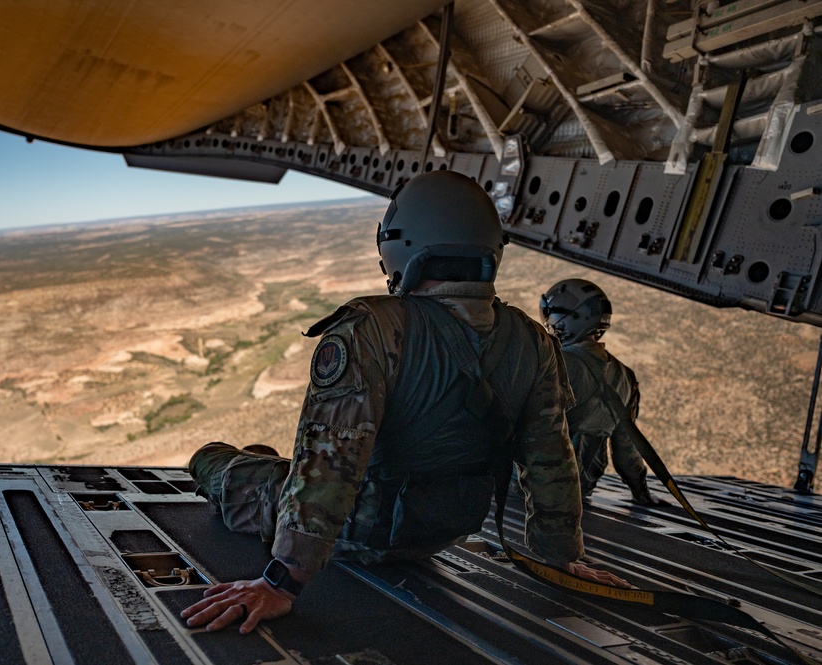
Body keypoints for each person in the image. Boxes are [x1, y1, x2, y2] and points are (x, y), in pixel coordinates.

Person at [182, 171, 629, 635]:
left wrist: (281, 582)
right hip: (443, 531)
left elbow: (332, 464)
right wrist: (563, 557)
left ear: (401, 245)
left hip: (362, 532)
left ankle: (235, 465)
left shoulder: (373, 327)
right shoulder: (534, 340)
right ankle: (262, 463)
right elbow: (552, 461)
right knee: (265, 457)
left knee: (212, 459)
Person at [539, 279, 665, 506]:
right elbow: (625, 448)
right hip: (578, 489)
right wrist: (641, 492)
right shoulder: (625, 377)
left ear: (566, 320)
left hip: (529, 486)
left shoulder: (555, 363)